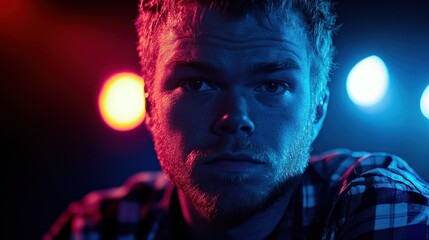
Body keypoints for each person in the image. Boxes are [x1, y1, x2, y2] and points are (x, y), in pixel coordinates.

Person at [45, 0, 429, 239]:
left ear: (317, 110)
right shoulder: (98, 228)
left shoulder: (376, 203)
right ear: (150, 106)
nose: (235, 118)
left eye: (272, 86)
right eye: (197, 84)